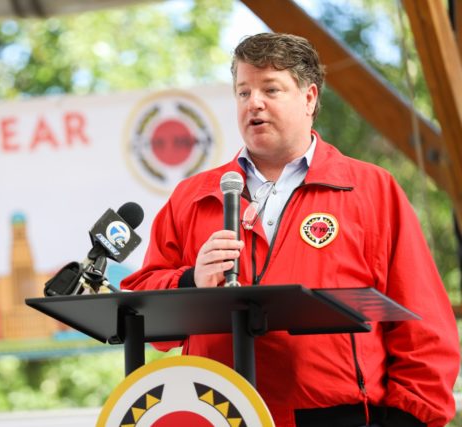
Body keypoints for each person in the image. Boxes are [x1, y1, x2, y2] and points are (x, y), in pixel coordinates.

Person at [121, 33, 460, 427]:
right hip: (217, 413)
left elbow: (422, 323)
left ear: (309, 98)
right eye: (243, 92)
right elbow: (142, 315)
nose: (254, 103)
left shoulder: (371, 190)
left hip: (339, 417)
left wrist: (409, 420)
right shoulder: (193, 196)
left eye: (271, 89)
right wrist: (191, 280)